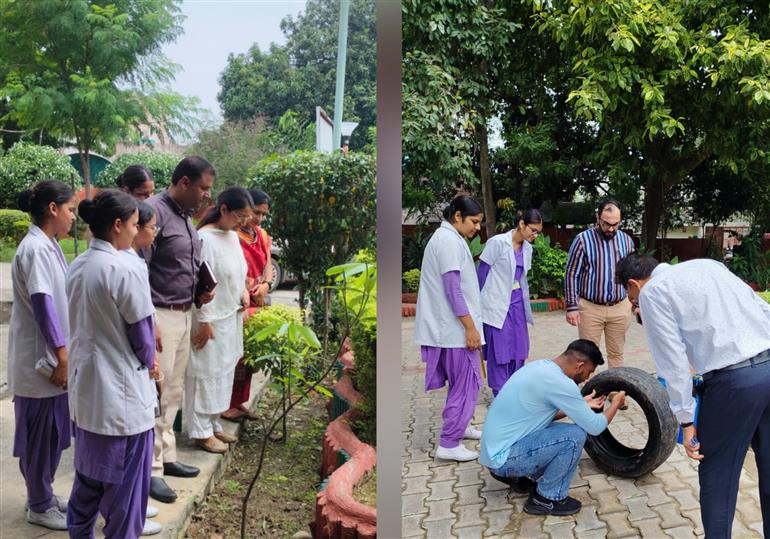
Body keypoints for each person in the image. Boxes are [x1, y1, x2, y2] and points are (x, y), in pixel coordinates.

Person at [615, 252, 770, 537]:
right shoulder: (708, 265)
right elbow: (760, 308)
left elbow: (673, 364)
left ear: (633, 284)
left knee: (718, 474)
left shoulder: (652, 293)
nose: (634, 303)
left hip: (733, 383)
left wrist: (686, 421)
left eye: (630, 297)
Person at [65, 189, 162, 537]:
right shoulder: (123, 268)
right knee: (125, 493)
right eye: (135, 225)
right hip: (122, 398)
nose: (137, 232)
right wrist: (152, 365)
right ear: (118, 225)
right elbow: (143, 336)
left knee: (88, 480)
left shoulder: (78, 265)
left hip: (87, 392)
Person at [140, 156, 216, 504]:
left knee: (173, 390)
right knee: (158, 391)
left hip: (184, 311)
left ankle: (167, 455)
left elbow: (186, 264)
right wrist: (148, 320)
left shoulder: (185, 217)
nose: (206, 195)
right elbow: (140, 269)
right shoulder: (154, 213)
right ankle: (151, 469)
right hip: (160, 314)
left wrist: (201, 291)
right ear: (184, 182)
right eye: (203, 188)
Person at [479, 339, 626, 516]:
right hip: (503, 458)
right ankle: (547, 498)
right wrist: (615, 404)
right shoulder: (561, 383)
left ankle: (516, 477)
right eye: (589, 372)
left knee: (557, 430)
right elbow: (595, 427)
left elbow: (542, 415)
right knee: (574, 436)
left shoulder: (540, 367)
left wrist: (580, 404)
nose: (587, 378)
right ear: (580, 365)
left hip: (495, 451)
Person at [8, 181, 76, 531]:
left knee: (51, 435)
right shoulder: (35, 248)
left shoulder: (48, 245)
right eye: (70, 209)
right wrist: (61, 355)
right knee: (39, 438)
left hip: (50, 359)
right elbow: (43, 304)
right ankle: (38, 504)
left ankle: (43, 494)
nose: (73, 217)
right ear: (53, 209)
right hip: (41, 363)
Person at [414, 195, 485, 462]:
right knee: (467, 384)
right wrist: (470, 328)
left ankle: (461, 426)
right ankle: (449, 443)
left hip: (451, 329)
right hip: (454, 331)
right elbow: (453, 290)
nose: (477, 227)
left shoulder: (449, 238)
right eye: (474, 221)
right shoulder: (447, 241)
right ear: (457, 216)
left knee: (461, 384)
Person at [185, 187, 252, 453]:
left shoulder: (232, 237)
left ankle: (213, 424)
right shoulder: (204, 239)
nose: (243, 222)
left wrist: (243, 291)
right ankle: (200, 431)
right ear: (223, 210)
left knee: (224, 371)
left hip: (229, 316)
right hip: (210, 318)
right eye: (240, 216)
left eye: (246, 217)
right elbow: (201, 283)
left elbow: (237, 272)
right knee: (205, 372)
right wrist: (204, 321)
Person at [564, 198, 635, 369]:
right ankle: (589, 387)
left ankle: (615, 386)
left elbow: (632, 273)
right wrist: (572, 306)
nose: (611, 229)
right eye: (606, 224)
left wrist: (636, 303)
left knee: (617, 353)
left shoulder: (626, 241)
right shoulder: (582, 240)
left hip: (620, 307)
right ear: (598, 218)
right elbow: (572, 273)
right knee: (586, 356)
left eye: (615, 224)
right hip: (590, 308)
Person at [222, 189, 273, 423]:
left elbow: (268, 264)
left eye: (263, 214)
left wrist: (266, 284)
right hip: (237, 302)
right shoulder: (232, 235)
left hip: (257, 301)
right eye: (256, 213)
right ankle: (225, 404)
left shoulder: (262, 235)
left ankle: (238, 401)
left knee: (250, 356)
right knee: (233, 356)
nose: (259, 219)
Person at [478, 209, 541, 396]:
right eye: (533, 230)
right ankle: (499, 393)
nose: (535, 235)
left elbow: (522, 277)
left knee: (518, 348)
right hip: (496, 303)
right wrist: (477, 304)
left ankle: (514, 390)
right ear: (521, 224)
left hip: (517, 304)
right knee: (500, 349)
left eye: (538, 232)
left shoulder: (528, 249)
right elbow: (481, 274)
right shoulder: (497, 242)